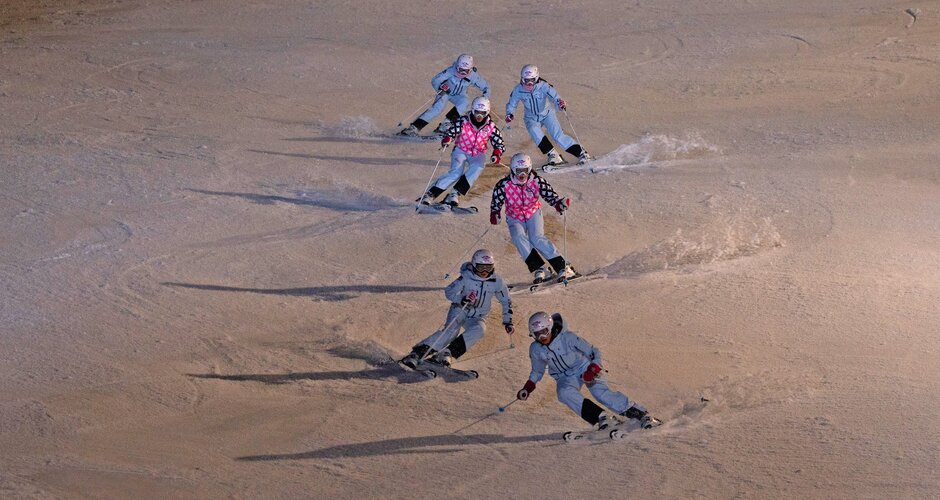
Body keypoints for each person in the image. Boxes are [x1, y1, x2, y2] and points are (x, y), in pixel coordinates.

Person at [515, 311, 661, 430]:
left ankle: (641, 415)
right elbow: (537, 371)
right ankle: (601, 418)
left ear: (550, 327)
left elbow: (594, 352)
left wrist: (592, 368)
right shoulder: (535, 349)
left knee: (600, 393)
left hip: (584, 368)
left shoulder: (568, 338)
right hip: (564, 377)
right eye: (537, 334)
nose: (542, 337)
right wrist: (527, 388)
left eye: (545, 331)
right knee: (564, 393)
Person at [401, 249, 514, 368]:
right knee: (451, 331)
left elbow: (506, 301)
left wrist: (508, 321)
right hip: (460, 309)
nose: (485, 272)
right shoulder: (466, 277)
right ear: (475, 265)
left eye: (488, 268)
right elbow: (449, 291)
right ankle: (417, 353)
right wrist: (461, 299)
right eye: (481, 268)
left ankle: (447, 353)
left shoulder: (497, 281)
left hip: (478, 316)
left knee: (480, 329)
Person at [489, 153, 576, 283]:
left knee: (536, 238)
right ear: (513, 169)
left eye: (525, 170)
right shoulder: (504, 185)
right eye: (518, 171)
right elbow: (496, 201)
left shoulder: (536, 181)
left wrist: (558, 204)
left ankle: (563, 266)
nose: (522, 174)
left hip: (533, 212)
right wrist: (495, 213)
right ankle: (540, 269)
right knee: (518, 238)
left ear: (529, 169)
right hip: (514, 216)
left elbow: (550, 195)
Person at [418, 96, 505, 207]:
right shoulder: (463, 121)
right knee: (456, 172)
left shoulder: (491, 127)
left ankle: (455, 193)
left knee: (478, 167)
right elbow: (452, 131)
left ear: (487, 112)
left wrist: (497, 153)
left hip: (478, 153)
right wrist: (448, 138)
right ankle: (431, 194)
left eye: (483, 113)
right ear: (473, 110)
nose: (479, 116)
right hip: (461, 150)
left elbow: (499, 143)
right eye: (477, 112)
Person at [504, 64, 592, 167]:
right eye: (526, 80)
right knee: (534, 131)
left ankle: (581, 153)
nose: (529, 83)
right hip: (531, 117)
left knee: (557, 135)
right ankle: (553, 155)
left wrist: (560, 103)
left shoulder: (543, 86)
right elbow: (512, 103)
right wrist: (509, 113)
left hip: (547, 114)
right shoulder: (518, 90)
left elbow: (555, 97)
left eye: (532, 80)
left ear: (536, 78)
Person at [400, 54, 491, 136]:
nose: (462, 73)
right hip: (445, 93)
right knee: (437, 108)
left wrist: (485, 98)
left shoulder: (473, 76)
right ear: (457, 66)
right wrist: (440, 87)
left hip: (459, 95)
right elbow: (435, 80)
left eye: (466, 71)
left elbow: (486, 87)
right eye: (460, 70)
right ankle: (414, 127)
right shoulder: (450, 71)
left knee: (464, 102)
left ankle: (445, 125)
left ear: (470, 69)